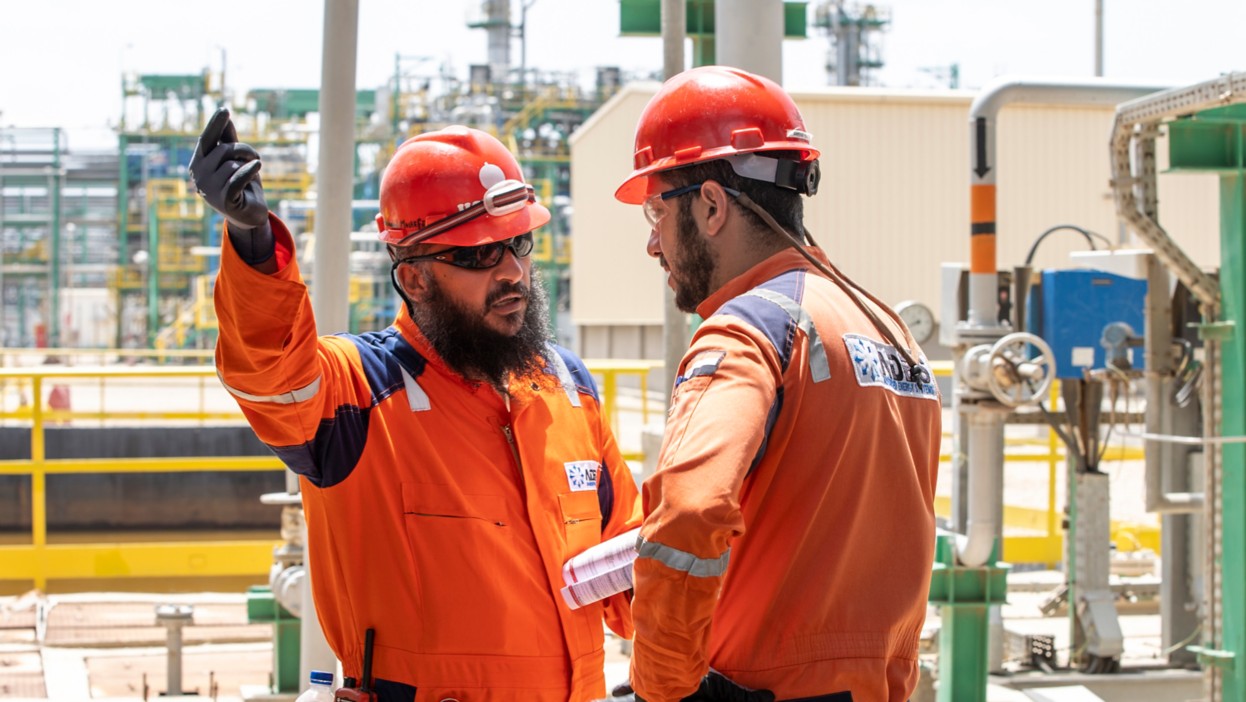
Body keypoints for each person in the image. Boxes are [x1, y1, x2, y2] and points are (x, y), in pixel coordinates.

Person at [190, 108, 642, 702]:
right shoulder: (359, 395)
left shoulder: (568, 387)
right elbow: (268, 372)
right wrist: (254, 246)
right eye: (479, 256)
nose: (513, 273)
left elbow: (637, 570)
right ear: (415, 278)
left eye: (518, 243)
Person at [611, 66, 943, 702]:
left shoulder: (748, 330)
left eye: (657, 209)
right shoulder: (890, 329)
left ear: (710, 205)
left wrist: (661, 688)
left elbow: (689, 512)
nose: (653, 242)